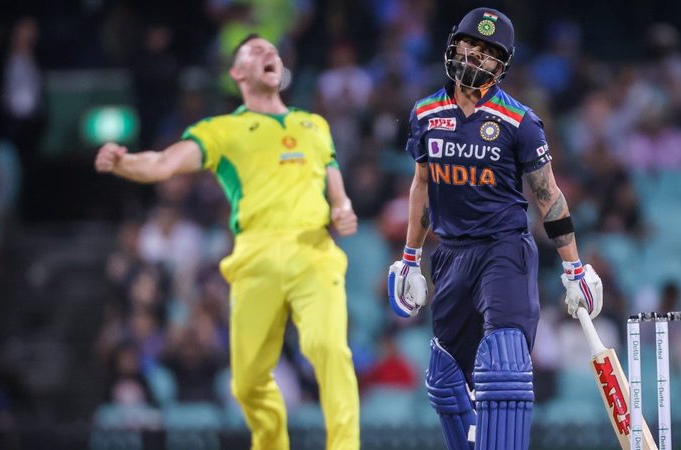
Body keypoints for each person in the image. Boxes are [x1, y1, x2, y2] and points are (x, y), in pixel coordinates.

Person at [95, 34, 360, 450]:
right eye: (255, 51)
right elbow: (164, 163)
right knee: (248, 381)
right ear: (237, 73)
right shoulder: (222, 130)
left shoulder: (315, 125)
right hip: (255, 255)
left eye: (272, 51)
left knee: (329, 348)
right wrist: (124, 162)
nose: (268, 53)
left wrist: (342, 207)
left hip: (313, 251)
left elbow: (334, 180)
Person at [386, 8, 603, 450]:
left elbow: (548, 195)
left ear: (501, 65)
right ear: (453, 45)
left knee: (503, 366)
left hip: (503, 250)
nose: (474, 55)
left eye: (487, 51)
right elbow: (422, 185)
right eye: (469, 44)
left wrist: (574, 268)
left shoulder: (519, 122)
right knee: (445, 378)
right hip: (450, 254)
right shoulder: (425, 112)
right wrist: (410, 259)